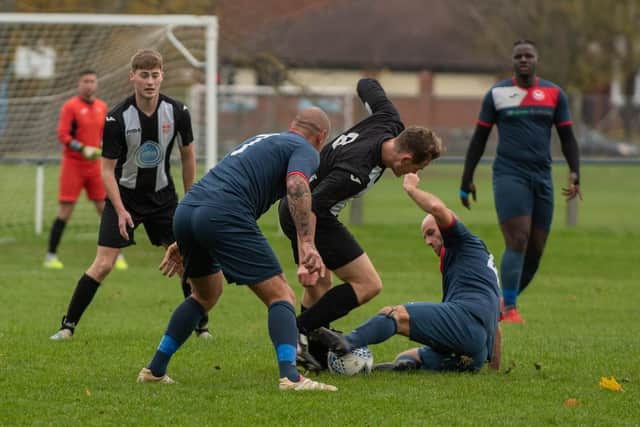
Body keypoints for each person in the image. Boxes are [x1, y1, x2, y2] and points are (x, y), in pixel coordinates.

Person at [137, 107, 338, 392]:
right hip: (223, 213)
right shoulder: (305, 149)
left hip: (188, 210)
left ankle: (154, 370)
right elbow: (296, 183)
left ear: (293, 124)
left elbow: (223, 180)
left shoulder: (260, 139)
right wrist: (307, 242)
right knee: (282, 295)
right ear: (321, 137)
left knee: (205, 294)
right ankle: (291, 378)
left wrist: (185, 238)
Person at [278, 78, 443, 369]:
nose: (417, 171)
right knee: (367, 283)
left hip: (302, 208)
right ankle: (297, 331)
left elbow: (366, 84)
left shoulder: (389, 121)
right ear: (405, 158)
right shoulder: (355, 171)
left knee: (319, 284)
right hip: (307, 212)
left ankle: (310, 353)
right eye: (419, 166)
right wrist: (308, 248)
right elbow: (313, 204)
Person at [50, 48, 209, 340]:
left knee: (184, 259)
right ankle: (67, 326)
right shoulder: (116, 118)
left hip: (164, 199)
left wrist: (189, 199)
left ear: (162, 76)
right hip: (125, 199)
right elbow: (107, 169)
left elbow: (188, 156)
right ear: (132, 77)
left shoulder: (177, 112)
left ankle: (201, 328)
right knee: (104, 264)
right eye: (144, 75)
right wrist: (121, 209)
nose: (150, 81)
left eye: (155, 75)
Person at [315, 172, 502, 373]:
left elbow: (437, 208)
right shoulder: (480, 262)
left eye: (431, 233)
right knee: (406, 357)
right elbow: (496, 324)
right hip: (476, 352)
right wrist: (494, 369)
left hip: (465, 323)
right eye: (425, 237)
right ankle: (407, 367)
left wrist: (411, 189)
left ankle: (346, 342)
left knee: (394, 314)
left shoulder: (460, 240)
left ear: (445, 226)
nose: (428, 242)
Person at [460, 40, 582, 323]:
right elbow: (479, 139)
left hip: (542, 175)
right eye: (518, 56)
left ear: (537, 59)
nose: (523, 60)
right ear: (513, 61)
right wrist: (466, 180)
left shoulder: (554, 94)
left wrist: (575, 172)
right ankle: (510, 309)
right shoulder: (498, 94)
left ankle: (500, 303)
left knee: (536, 248)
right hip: (508, 174)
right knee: (518, 238)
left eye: (528, 55)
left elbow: (567, 138)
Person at [43, 70, 128, 271]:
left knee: (105, 209)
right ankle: (51, 255)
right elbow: (63, 135)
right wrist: (81, 148)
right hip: (73, 165)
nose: (89, 85)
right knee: (65, 211)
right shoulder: (70, 107)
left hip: (95, 167)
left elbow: (104, 135)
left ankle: (117, 254)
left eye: (92, 81)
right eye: (85, 81)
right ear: (79, 84)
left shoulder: (102, 107)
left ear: (96, 84)